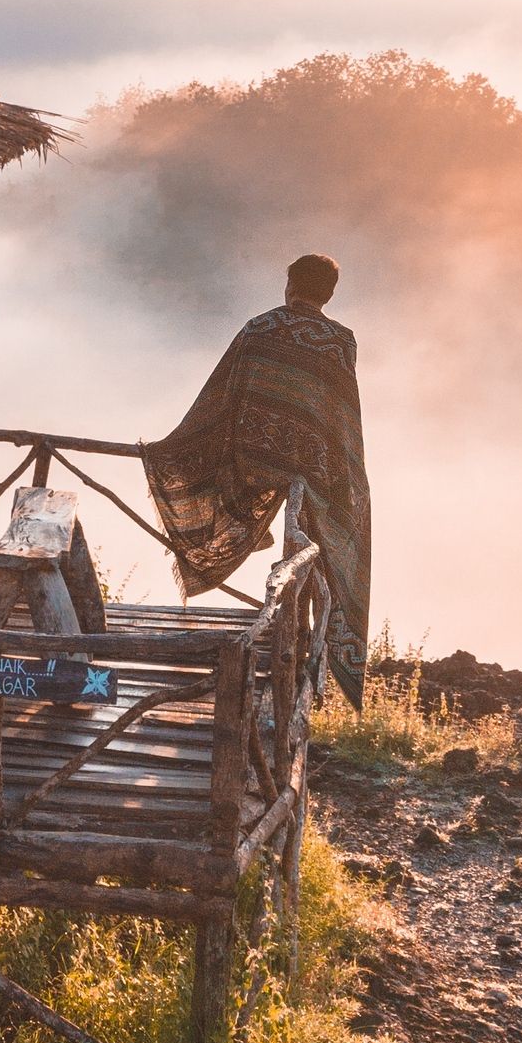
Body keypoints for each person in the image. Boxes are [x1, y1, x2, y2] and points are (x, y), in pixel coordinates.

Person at [143, 253, 371, 704]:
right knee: (327, 524)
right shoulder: (340, 343)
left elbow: (220, 395)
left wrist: (171, 447)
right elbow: (340, 418)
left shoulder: (258, 328)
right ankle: (299, 641)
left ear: (289, 286)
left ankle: (251, 529)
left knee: (285, 531)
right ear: (329, 294)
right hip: (309, 470)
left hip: (250, 458)